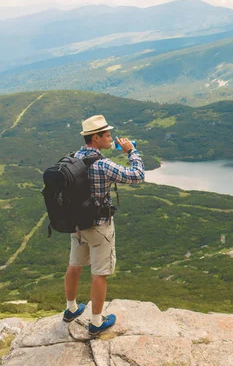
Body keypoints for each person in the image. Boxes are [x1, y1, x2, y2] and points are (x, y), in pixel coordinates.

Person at [61, 114, 145, 337]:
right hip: (99, 227)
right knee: (99, 273)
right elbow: (137, 175)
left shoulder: (73, 158)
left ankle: (71, 310)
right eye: (107, 135)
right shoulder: (102, 164)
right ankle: (96, 322)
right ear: (96, 138)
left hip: (77, 225)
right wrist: (131, 152)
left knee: (75, 264)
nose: (111, 138)